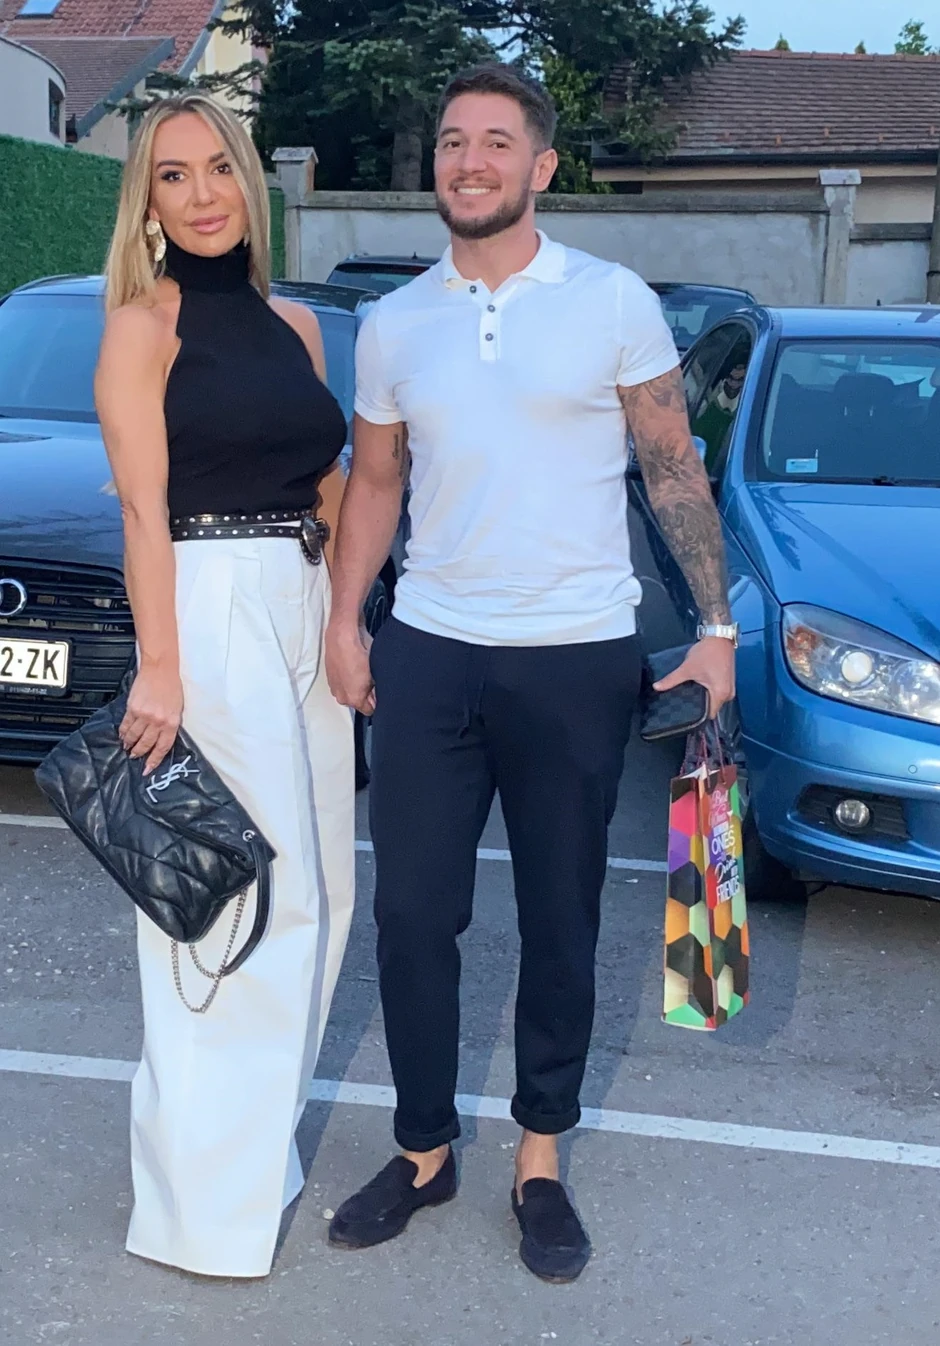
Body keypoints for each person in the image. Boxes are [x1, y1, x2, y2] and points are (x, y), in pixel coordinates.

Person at [324, 62, 736, 1281]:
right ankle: (423, 1149)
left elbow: (671, 465)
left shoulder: (611, 301)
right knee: (411, 916)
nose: (469, 161)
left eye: (495, 142)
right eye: (453, 141)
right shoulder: (394, 323)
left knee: (562, 916)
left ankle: (540, 1156)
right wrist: (346, 619)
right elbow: (377, 483)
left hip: (575, 654)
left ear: (541, 166)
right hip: (431, 648)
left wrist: (716, 626)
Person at [94, 93, 355, 1278]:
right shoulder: (140, 328)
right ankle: (199, 1205)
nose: (200, 194)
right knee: (234, 905)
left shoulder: (294, 325)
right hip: (208, 606)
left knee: (324, 890)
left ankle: (251, 1151)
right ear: (146, 203)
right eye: (171, 175)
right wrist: (161, 666)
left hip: (299, 599)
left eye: (216, 169)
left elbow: (325, 478)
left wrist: (347, 616)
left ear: (250, 181)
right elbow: (141, 511)